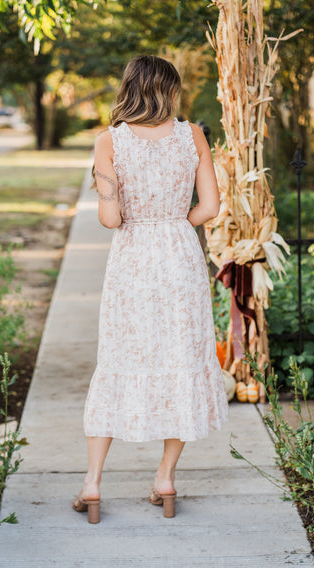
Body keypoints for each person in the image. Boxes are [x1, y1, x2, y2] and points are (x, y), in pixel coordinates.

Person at [72, 55, 229, 524]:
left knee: (119, 358)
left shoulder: (109, 142)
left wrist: (122, 201)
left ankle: (93, 485)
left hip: (133, 259)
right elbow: (212, 206)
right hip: (179, 253)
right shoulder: (193, 135)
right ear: (170, 90)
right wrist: (176, 222)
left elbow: (111, 218)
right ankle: (164, 478)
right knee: (180, 356)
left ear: (130, 89)